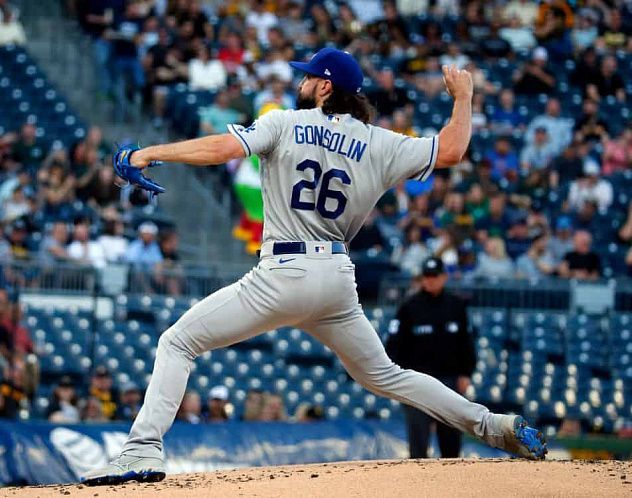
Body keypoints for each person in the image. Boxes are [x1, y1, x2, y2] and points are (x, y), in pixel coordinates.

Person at [82, 49, 545, 486]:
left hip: (284, 271)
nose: (301, 82)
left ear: (325, 87)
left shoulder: (284, 122)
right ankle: (492, 425)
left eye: (308, 77)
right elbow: (451, 150)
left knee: (178, 341)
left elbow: (224, 148)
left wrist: (149, 153)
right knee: (386, 375)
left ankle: (142, 450)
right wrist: (463, 97)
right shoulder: (380, 142)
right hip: (336, 279)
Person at [386, 257, 475, 458]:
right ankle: (418, 478)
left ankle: (451, 477)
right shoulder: (409, 307)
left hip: (449, 381)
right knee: (418, 444)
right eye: (427, 276)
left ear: (444, 277)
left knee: (451, 441)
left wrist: (466, 373)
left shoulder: (456, 305)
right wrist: (402, 379)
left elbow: (466, 343)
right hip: (417, 383)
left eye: (435, 276)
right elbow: (393, 346)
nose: (430, 280)